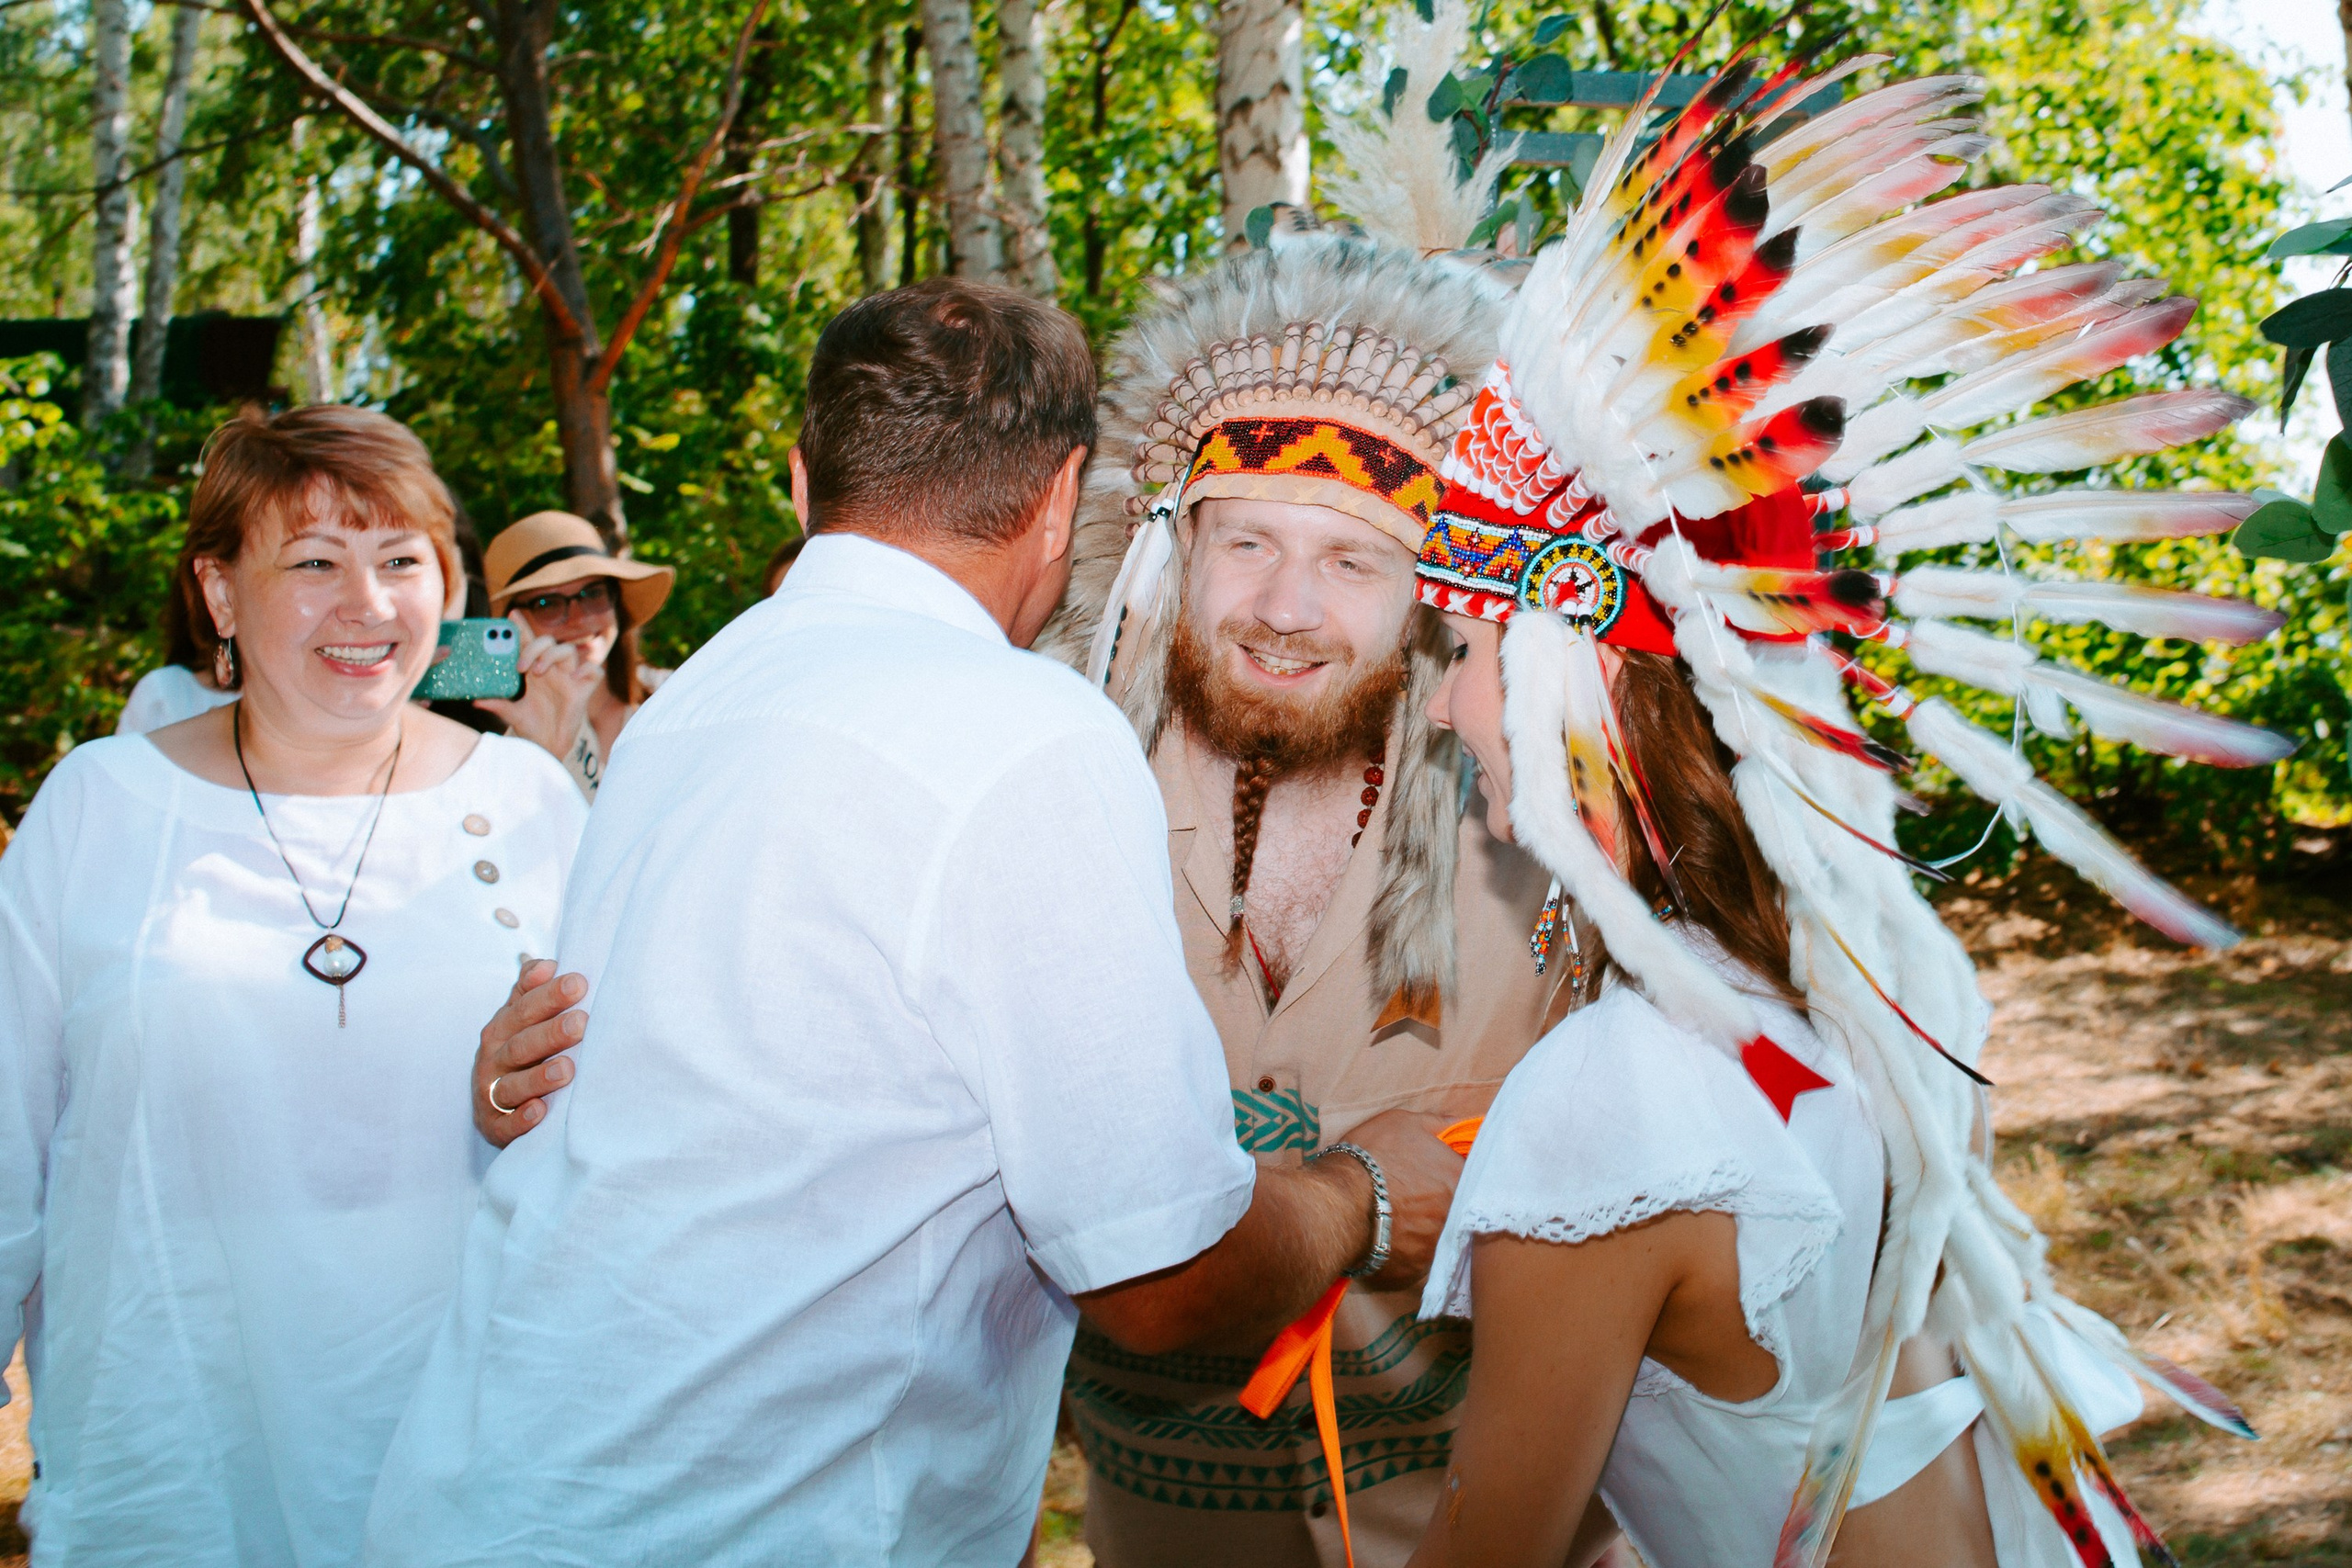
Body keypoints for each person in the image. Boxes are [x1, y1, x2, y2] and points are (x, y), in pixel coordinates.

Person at [360, 278, 1465, 1568]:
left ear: (799, 480)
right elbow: (1156, 1278)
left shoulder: (696, 698)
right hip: (743, 1524)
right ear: (1063, 496)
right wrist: (1363, 1194)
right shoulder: (1026, 736)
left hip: (497, 1480)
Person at [1390, 47, 2270, 1568]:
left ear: (1582, 687)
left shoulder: (1614, 1096)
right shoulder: (1832, 993)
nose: (1444, 704)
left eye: (1467, 653)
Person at [0, 405, 586, 1568]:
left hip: (469, 1466)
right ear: (220, 596)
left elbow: (624, 1130)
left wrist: (533, 1101)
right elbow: (6, 1122)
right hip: (165, 1462)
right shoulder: (101, 803)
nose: (366, 606)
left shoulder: (534, 804)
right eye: (313, 562)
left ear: (452, 583)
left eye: (400, 561)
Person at [478, 510, 674, 797]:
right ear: (511, 625)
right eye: (548, 604)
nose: (578, 618)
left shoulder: (674, 697)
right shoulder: (491, 738)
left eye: (593, 594)